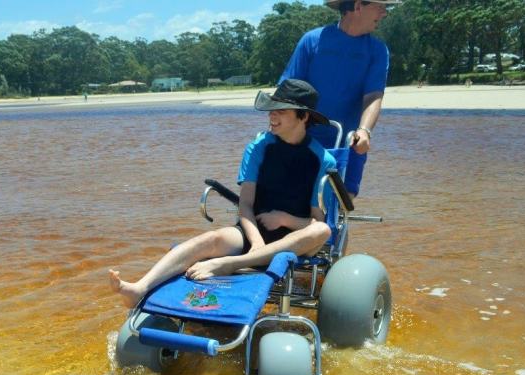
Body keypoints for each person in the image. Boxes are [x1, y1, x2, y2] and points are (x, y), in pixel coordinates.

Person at [109, 79, 336, 308]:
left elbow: (316, 221)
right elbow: (245, 205)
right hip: (255, 231)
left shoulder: (322, 160)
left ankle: (230, 264)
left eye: (281, 111)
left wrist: (284, 219)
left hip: (297, 240)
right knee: (212, 239)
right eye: (271, 110)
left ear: (303, 117)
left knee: (322, 229)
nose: (272, 116)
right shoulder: (259, 147)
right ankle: (140, 288)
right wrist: (256, 241)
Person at [279, 0, 402, 197]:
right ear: (358, 5)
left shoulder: (378, 50)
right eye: (380, 6)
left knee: (341, 206)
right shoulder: (312, 40)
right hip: (305, 138)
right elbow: (288, 89)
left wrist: (365, 131)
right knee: (294, 201)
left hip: (349, 140)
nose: (384, 13)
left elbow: (373, 95)